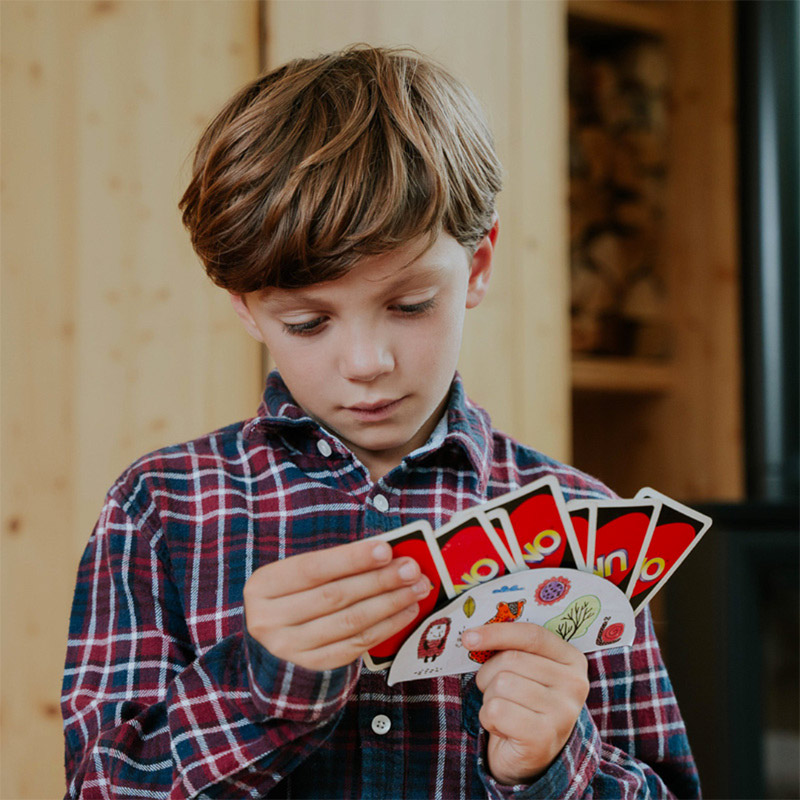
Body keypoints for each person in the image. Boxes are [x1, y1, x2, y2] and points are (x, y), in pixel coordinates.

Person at [61, 45, 700, 799]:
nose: (366, 361)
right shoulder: (161, 509)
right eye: (307, 322)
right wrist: (263, 689)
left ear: (480, 264)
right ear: (243, 304)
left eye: (408, 305)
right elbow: (102, 788)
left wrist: (553, 762)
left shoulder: (581, 521)